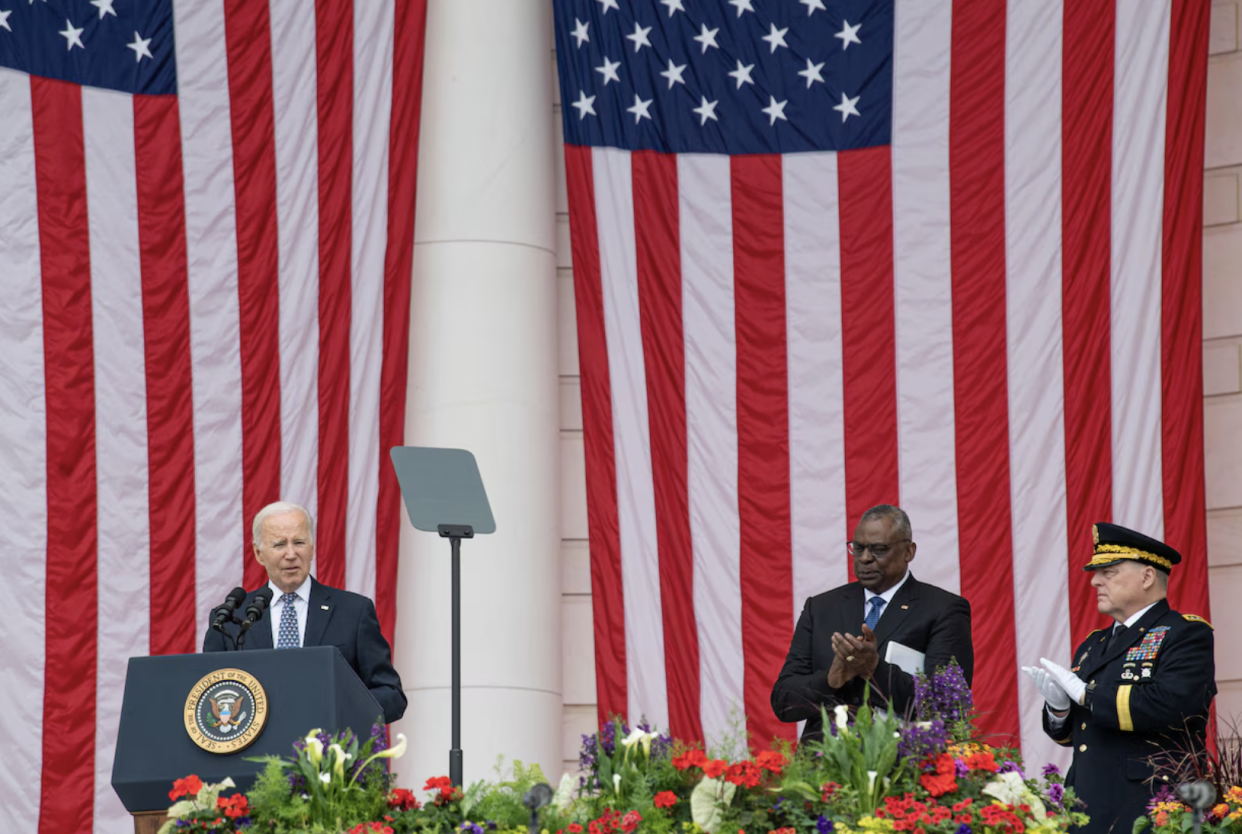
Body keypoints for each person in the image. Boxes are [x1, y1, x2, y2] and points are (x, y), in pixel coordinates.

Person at [1023, 523, 1215, 834]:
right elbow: (1079, 734)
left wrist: (1089, 696)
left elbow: (1174, 705)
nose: (1095, 581)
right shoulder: (1093, 644)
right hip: (1086, 808)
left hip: (1149, 808)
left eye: (1109, 572)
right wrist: (1059, 711)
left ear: (1147, 576)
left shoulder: (1185, 633)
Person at [770, 504, 974, 740]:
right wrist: (830, 680)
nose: (865, 558)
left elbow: (947, 709)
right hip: (822, 769)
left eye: (879, 549)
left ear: (909, 551)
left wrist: (874, 669)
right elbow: (783, 702)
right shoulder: (821, 608)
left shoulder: (943, 609)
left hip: (904, 768)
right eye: (858, 548)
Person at [203, 501, 408, 724]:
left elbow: (391, 694)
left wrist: (342, 710)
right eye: (279, 544)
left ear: (312, 548)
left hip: (329, 752)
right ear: (259, 553)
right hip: (254, 754)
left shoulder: (354, 612)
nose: (291, 554)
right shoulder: (232, 618)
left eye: (299, 542)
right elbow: (209, 693)